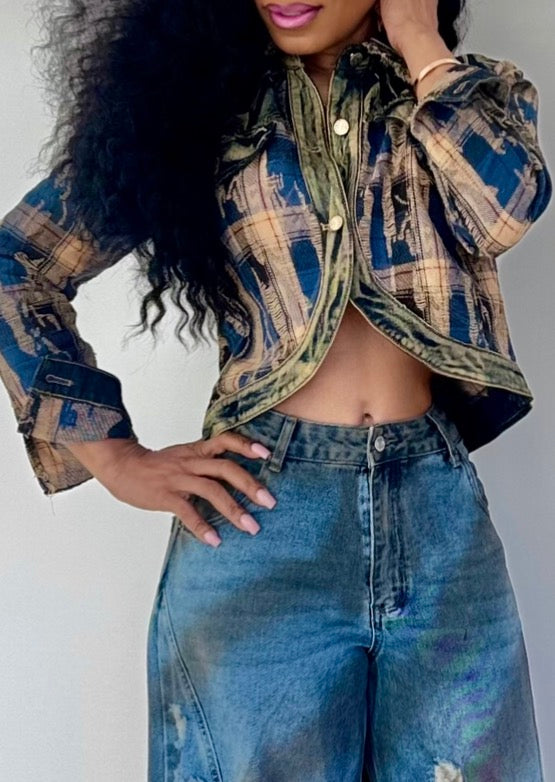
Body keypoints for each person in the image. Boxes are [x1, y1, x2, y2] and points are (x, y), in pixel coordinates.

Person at [0, 0, 551, 779]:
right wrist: (113, 457)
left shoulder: (467, 93)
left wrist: (416, 36)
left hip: (440, 519)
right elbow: (15, 263)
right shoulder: (189, 107)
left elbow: (502, 212)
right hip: (261, 516)